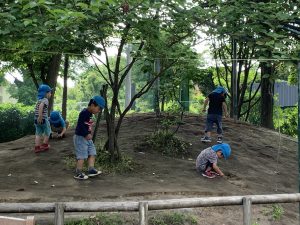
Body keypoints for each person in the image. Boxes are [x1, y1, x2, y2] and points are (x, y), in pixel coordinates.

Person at [73, 96, 106, 180]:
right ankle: (78, 172)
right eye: (98, 109)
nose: (99, 111)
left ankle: (91, 169)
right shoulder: (84, 113)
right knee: (82, 156)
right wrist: (86, 134)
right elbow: (80, 125)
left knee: (92, 152)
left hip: (87, 138)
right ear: (92, 105)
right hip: (81, 137)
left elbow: (87, 125)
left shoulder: (90, 114)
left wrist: (88, 134)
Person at [34, 84, 52, 153]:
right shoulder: (45, 100)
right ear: (46, 93)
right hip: (43, 118)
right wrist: (40, 116)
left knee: (38, 133)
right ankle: (45, 145)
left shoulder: (38, 100)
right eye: (50, 92)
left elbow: (37, 108)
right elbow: (41, 106)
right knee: (48, 131)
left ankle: (37, 147)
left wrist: (38, 117)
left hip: (36, 119)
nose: (51, 94)